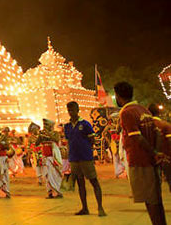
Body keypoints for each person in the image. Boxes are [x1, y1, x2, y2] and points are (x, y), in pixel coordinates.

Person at [115, 82, 166, 225]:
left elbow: (136, 137)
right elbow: (157, 134)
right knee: (155, 198)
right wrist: (156, 153)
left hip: (140, 160)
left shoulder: (126, 112)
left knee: (150, 201)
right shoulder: (143, 109)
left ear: (118, 97)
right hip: (151, 160)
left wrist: (154, 152)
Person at [64, 101, 105, 216]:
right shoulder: (67, 127)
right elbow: (68, 141)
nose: (71, 112)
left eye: (72, 110)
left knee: (93, 181)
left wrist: (87, 149)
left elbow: (92, 139)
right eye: (69, 110)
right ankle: (85, 208)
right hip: (74, 158)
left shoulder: (85, 124)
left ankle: (100, 207)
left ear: (78, 110)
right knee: (80, 183)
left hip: (85, 157)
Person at [37, 119, 63, 199]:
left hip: (53, 158)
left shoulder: (55, 133)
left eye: (47, 125)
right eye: (44, 125)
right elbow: (37, 143)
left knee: (54, 175)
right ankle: (50, 193)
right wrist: (40, 136)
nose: (45, 127)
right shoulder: (42, 134)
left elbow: (55, 139)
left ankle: (57, 192)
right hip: (45, 158)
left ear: (51, 126)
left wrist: (46, 134)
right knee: (47, 176)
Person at [148, 103, 171, 192]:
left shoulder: (146, 126)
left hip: (151, 160)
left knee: (154, 187)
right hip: (166, 158)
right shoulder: (165, 125)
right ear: (159, 113)